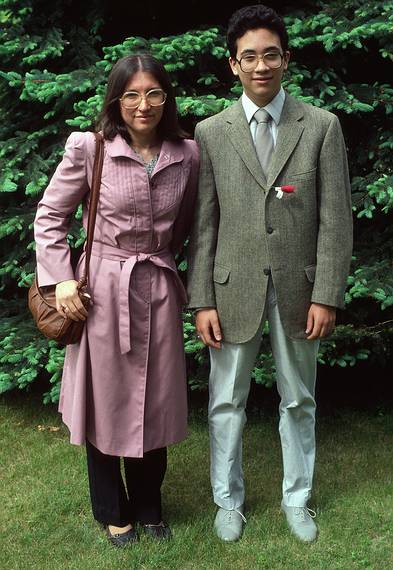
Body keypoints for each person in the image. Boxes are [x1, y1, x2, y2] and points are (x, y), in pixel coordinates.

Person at [187, 4, 352, 543]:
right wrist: (201, 299)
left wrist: (326, 294)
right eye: (249, 56)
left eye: (271, 55)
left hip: (300, 291)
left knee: (299, 398)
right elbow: (203, 223)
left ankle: (297, 499)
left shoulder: (322, 127)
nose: (262, 65)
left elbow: (335, 219)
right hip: (231, 290)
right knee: (226, 401)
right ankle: (227, 501)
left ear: (287, 59)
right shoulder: (211, 132)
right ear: (232, 64)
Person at [34, 53, 199, 546]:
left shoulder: (186, 154)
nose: (142, 105)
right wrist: (61, 280)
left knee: (158, 402)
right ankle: (112, 508)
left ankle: (150, 504)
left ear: (166, 98)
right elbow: (49, 217)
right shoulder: (91, 148)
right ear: (116, 99)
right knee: (104, 404)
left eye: (153, 94)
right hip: (102, 292)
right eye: (131, 94)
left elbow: (186, 226)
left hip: (159, 288)